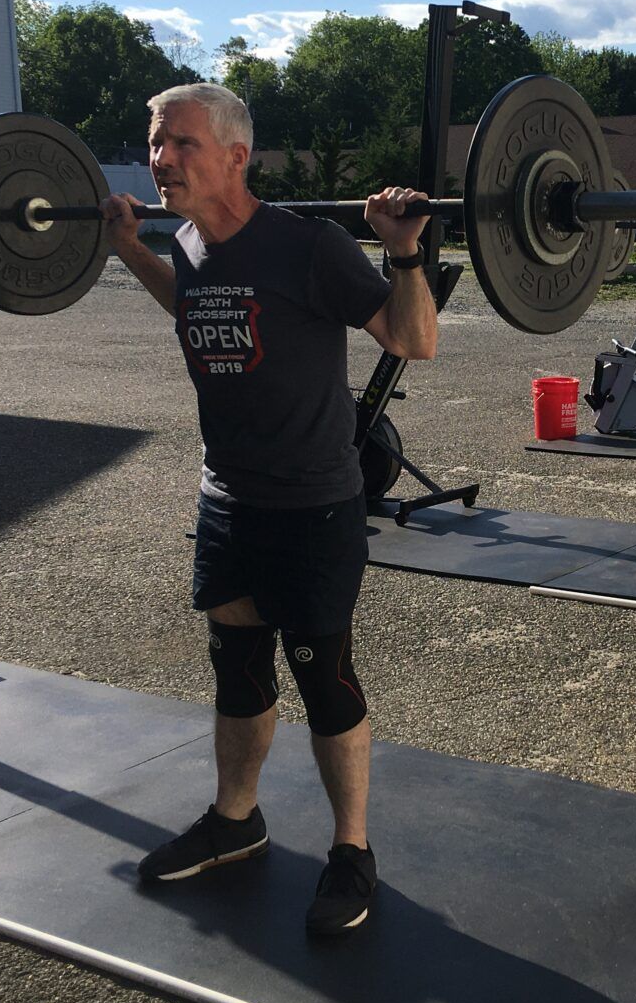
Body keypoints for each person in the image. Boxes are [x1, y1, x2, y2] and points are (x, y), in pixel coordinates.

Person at [100, 82, 437, 936]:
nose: (160, 159)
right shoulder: (187, 241)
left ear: (235, 158)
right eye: (155, 142)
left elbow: (413, 340)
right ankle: (236, 820)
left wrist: (402, 252)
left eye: (180, 144)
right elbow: (189, 302)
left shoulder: (309, 246)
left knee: (324, 678)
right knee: (237, 668)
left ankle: (352, 851)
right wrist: (126, 247)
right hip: (228, 503)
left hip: (314, 507)